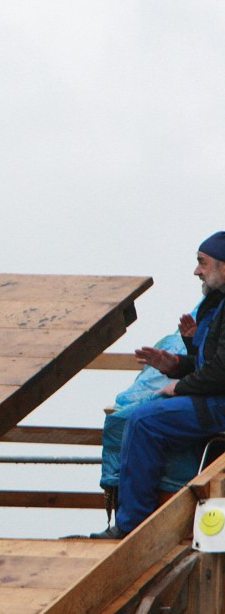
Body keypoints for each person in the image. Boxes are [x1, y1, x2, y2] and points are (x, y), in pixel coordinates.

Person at [91, 231, 225, 539]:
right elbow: (214, 365)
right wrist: (176, 365)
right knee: (145, 415)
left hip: (219, 404)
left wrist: (179, 387)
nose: (197, 271)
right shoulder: (217, 306)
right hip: (215, 398)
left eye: (202, 263)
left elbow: (220, 373)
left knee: (143, 421)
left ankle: (132, 527)